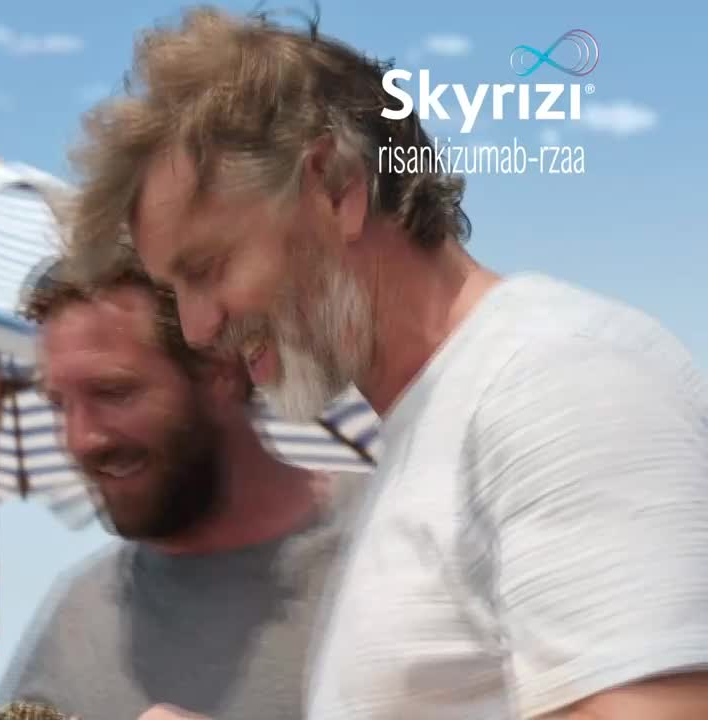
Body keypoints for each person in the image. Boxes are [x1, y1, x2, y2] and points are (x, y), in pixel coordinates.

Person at [63, 7, 708, 720]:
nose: (197, 327)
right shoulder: (431, 432)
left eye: (209, 266)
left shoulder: (556, 381)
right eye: (175, 291)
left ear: (336, 186)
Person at [0, 249, 365, 720]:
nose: (80, 440)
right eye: (59, 404)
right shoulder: (77, 624)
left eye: (113, 392)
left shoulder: (393, 533)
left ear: (221, 370)